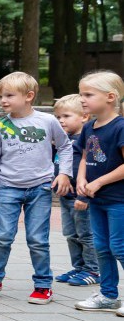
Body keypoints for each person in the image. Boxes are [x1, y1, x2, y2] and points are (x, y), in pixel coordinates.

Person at [0, 72, 72, 304]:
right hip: (7, 188)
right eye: (1, 96)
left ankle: (43, 284)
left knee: (38, 239)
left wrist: (64, 173)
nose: (3, 100)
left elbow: (65, 146)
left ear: (28, 96)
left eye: (9, 95)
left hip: (40, 188)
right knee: (2, 237)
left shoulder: (47, 121)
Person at [73, 71, 124, 315]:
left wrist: (99, 182)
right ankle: (108, 295)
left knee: (119, 247)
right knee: (101, 248)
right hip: (97, 200)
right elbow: (85, 157)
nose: (82, 99)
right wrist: (81, 179)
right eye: (81, 94)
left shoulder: (120, 127)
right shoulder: (88, 127)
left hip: (118, 201)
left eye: (88, 94)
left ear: (110, 97)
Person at [52, 94, 98, 287]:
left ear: (84, 117)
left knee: (86, 235)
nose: (61, 121)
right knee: (71, 235)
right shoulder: (64, 140)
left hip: (82, 198)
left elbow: (92, 170)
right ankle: (79, 267)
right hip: (66, 197)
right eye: (58, 117)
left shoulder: (87, 141)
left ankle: (93, 270)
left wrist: (84, 196)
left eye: (66, 116)